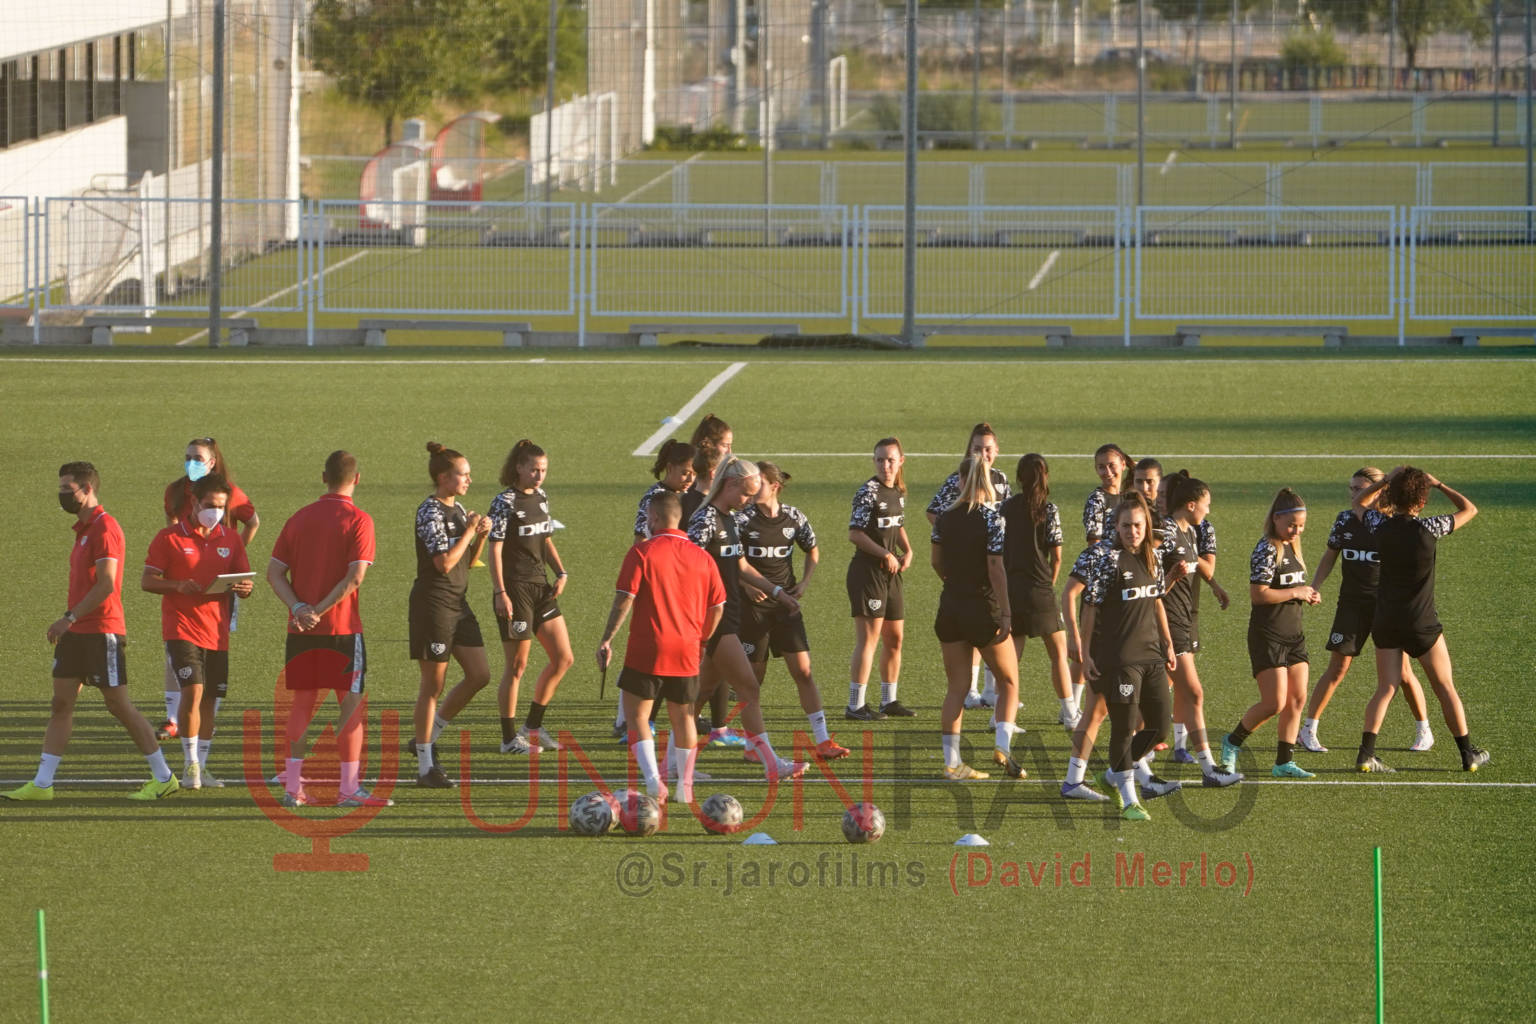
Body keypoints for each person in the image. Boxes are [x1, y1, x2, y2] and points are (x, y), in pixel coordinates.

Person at [4, 462, 179, 801]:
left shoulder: (105, 528)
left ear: (87, 489)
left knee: (119, 706)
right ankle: (42, 784)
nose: (62, 495)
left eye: (68, 490)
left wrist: (68, 617)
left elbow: (107, 585)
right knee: (61, 703)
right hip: (77, 632)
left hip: (101, 631)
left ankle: (163, 777)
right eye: (60, 489)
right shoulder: (83, 530)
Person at [266, 451, 390, 808]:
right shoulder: (359, 520)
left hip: (301, 630)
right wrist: (318, 611)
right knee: (350, 709)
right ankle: (348, 789)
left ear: (324, 477)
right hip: (342, 629)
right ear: (357, 479)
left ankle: (293, 788)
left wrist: (300, 609)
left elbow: (275, 572)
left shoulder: (299, 518)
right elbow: (355, 578)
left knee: (302, 706)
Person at [1353, 467, 1489, 773]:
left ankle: (1366, 754)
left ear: (1390, 496)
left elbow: (1359, 504)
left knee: (1386, 688)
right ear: (1422, 501)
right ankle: (1468, 755)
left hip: (1386, 621)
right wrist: (1438, 483)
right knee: (1445, 688)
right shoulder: (1432, 527)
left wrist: (1385, 480)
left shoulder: (1378, 525)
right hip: (1422, 623)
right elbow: (1470, 509)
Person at [596, 491, 726, 805]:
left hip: (648, 647)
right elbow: (718, 606)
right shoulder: (702, 557)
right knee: (684, 718)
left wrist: (607, 639)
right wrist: (703, 639)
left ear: (653, 518)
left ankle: (654, 781)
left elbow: (624, 598)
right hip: (686, 649)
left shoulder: (642, 552)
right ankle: (685, 786)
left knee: (637, 715)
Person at [449, 440, 576, 756]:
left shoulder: (542, 497)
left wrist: (561, 572)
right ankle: (508, 739)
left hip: (541, 587)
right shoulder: (504, 502)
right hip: (516, 591)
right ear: (518, 467)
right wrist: (500, 592)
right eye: (534, 469)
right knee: (516, 666)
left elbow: (545, 539)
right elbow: (495, 549)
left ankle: (532, 726)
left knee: (563, 658)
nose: (539, 475)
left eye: (543, 469)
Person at [688, 456, 808, 781]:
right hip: (713, 619)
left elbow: (741, 567)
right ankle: (770, 763)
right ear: (730, 485)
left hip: (727, 614)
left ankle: (673, 761)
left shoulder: (728, 518)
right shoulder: (706, 520)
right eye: (746, 494)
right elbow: (685, 567)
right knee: (749, 688)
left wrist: (777, 593)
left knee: (700, 693)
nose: (748, 503)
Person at [1298, 468, 1433, 754]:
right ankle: (1308, 729)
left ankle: (1424, 730)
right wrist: (1315, 585)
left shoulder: (1394, 523)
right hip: (1351, 604)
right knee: (1338, 667)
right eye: (1351, 488)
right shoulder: (1346, 519)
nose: (1354, 494)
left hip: (1387, 607)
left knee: (1404, 673)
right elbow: (1330, 554)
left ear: (1381, 489)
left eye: (1360, 487)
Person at [141, 474, 254, 790]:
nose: (215, 512)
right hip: (181, 628)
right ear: (194, 502)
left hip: (217, 631)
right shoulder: (169, 538)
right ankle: (190, 766)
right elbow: (147, 580)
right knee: (193, 691)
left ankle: (202, 767)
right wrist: (176, 584)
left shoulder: (230, 539)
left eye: (220, 507)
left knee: (211, 701)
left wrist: (245, 588)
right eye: (209, 505)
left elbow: (242, 581)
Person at [736, 462, 850, 762]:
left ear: (774, 486)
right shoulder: (743, 519)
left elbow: (812, 549)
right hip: (753, 609)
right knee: (753, 680)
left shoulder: (794, 517)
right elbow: (726, 560)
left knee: (804, 672)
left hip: (786, 606)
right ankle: (753, 746)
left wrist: (805, 582)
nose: (751, 489)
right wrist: (745, 586)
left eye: (758, 483)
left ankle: (823, 741)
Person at [1078, 493, 1181, 821]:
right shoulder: (1108, 560)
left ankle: (1111, 776)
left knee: (1160, 728)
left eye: (1137, 525)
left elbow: (1157, 600)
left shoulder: (1153, 556)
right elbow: (1090, 607)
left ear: (1146, 526)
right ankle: (1128, 798)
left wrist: (1167, 642)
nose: (1132, 531)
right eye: (1126, 526)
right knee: (1122, 728)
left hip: (1152, 656)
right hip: (1119, 658)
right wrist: (1085, 653)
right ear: (1117, 527)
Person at [157, 437, 259, 743]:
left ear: (212, 461)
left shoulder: (230, 493)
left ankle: (203, 717)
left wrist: (230, 557)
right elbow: (171, 531)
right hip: (184, 584)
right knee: (175, 650)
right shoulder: (176, 491)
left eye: (198, 457)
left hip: (217, 591)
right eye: (188, 456)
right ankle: (173, 718)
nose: (191, 462)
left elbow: (252, 522)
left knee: (213, 648)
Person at [932, 457, 1025, 781]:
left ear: (959, 481)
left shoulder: (943, 519)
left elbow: (936, 562)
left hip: (950, 607)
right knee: (1009, 681)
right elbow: (996, 568)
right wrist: (1006, 610)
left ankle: (952, 763)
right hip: (982, 609)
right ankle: (1002, 747)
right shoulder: (992, 518)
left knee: (957, 687)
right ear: (986, 480)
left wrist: (955, 582)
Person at [1221, 488, 1323, 780]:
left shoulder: (1294, 547)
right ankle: (1231, 743)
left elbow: (1291, 590)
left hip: (1294, 636)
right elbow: (1259, 595)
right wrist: (1296, 591)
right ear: (1276, 519)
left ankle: (1283, 762)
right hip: (1268, 636)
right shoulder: (1266, 548)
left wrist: (1307, 596)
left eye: (1301, 525)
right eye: (1291, 524)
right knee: (1274, 702)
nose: (1297, 530)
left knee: (1296, 700)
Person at [407, 442, 491, 788]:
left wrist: (480, 537)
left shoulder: (458, 510)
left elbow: (468, 562)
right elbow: (443, 564)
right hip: (433, 605)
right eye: (463, 474)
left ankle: (427, 738)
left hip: (458, 604)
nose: (469, 480)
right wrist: (471, 531)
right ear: (444, 477)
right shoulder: (430, 511)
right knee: (433, 685)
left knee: (479, 674)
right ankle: (425, 767)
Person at [1158, 475, 1241, 787]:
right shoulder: (1165, 531)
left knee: (1162, 697)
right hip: (1165, 621)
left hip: (1182, 619)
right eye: (1206, 505)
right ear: (1191, 504)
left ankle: (1129, 765)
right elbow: (1149, 578)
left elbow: (1195, 567)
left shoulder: (1190, 531)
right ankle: (1208, 769)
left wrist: (1216, 586)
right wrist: (1168, 577)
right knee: (1191, 692)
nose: (1208, 511)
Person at [925, 423, 1011, 711]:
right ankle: (972, 689)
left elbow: (1007, 515)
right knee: (985, 625)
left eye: (988, 448)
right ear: (969, 450)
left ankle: (990, 691)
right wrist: (958, 538)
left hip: (995, 555)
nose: (983, 453)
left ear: (996, 451)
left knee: (989, 628)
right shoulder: (957, 479)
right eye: (977, 448)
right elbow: (933, 511)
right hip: (972, 566)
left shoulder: (1001, 479)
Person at [998, 454, 1078, 731]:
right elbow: (1056, 556)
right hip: (1040, 590)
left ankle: (1000, 717)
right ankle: (1070, 714)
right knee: (1058, 654)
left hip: (1011, 588)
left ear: (1019, 478)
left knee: (1011, 659)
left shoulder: (1005, 508)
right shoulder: (1049, 510)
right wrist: (1049, 584)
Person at [845, 438, 914, 721]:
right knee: (869, 639)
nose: (885, 465)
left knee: (894, 639)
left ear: (901, 461)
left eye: (890, 460)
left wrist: (907, 549)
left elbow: (896, 525)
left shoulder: (897, 491)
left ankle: (889, 700)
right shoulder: (868, 492)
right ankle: (855, 705)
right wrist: (885, 554)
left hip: (891, 573)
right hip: (868, 573)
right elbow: (855, 533)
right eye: (880, 460)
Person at [633, 440, 697, 542]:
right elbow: (641, 538)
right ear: (670, 468)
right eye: (685, 473)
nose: (691, 479)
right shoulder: (654, 496)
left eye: (695, 474)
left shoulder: (690, 493)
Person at [1082, 443, 1132, 545]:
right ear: (1096, 469)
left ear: (1123, 465)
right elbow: (1094, 543)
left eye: (1111, 465)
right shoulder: (1096, 500)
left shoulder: (1130, 497)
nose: (1108, 472)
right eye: (1101, 467)